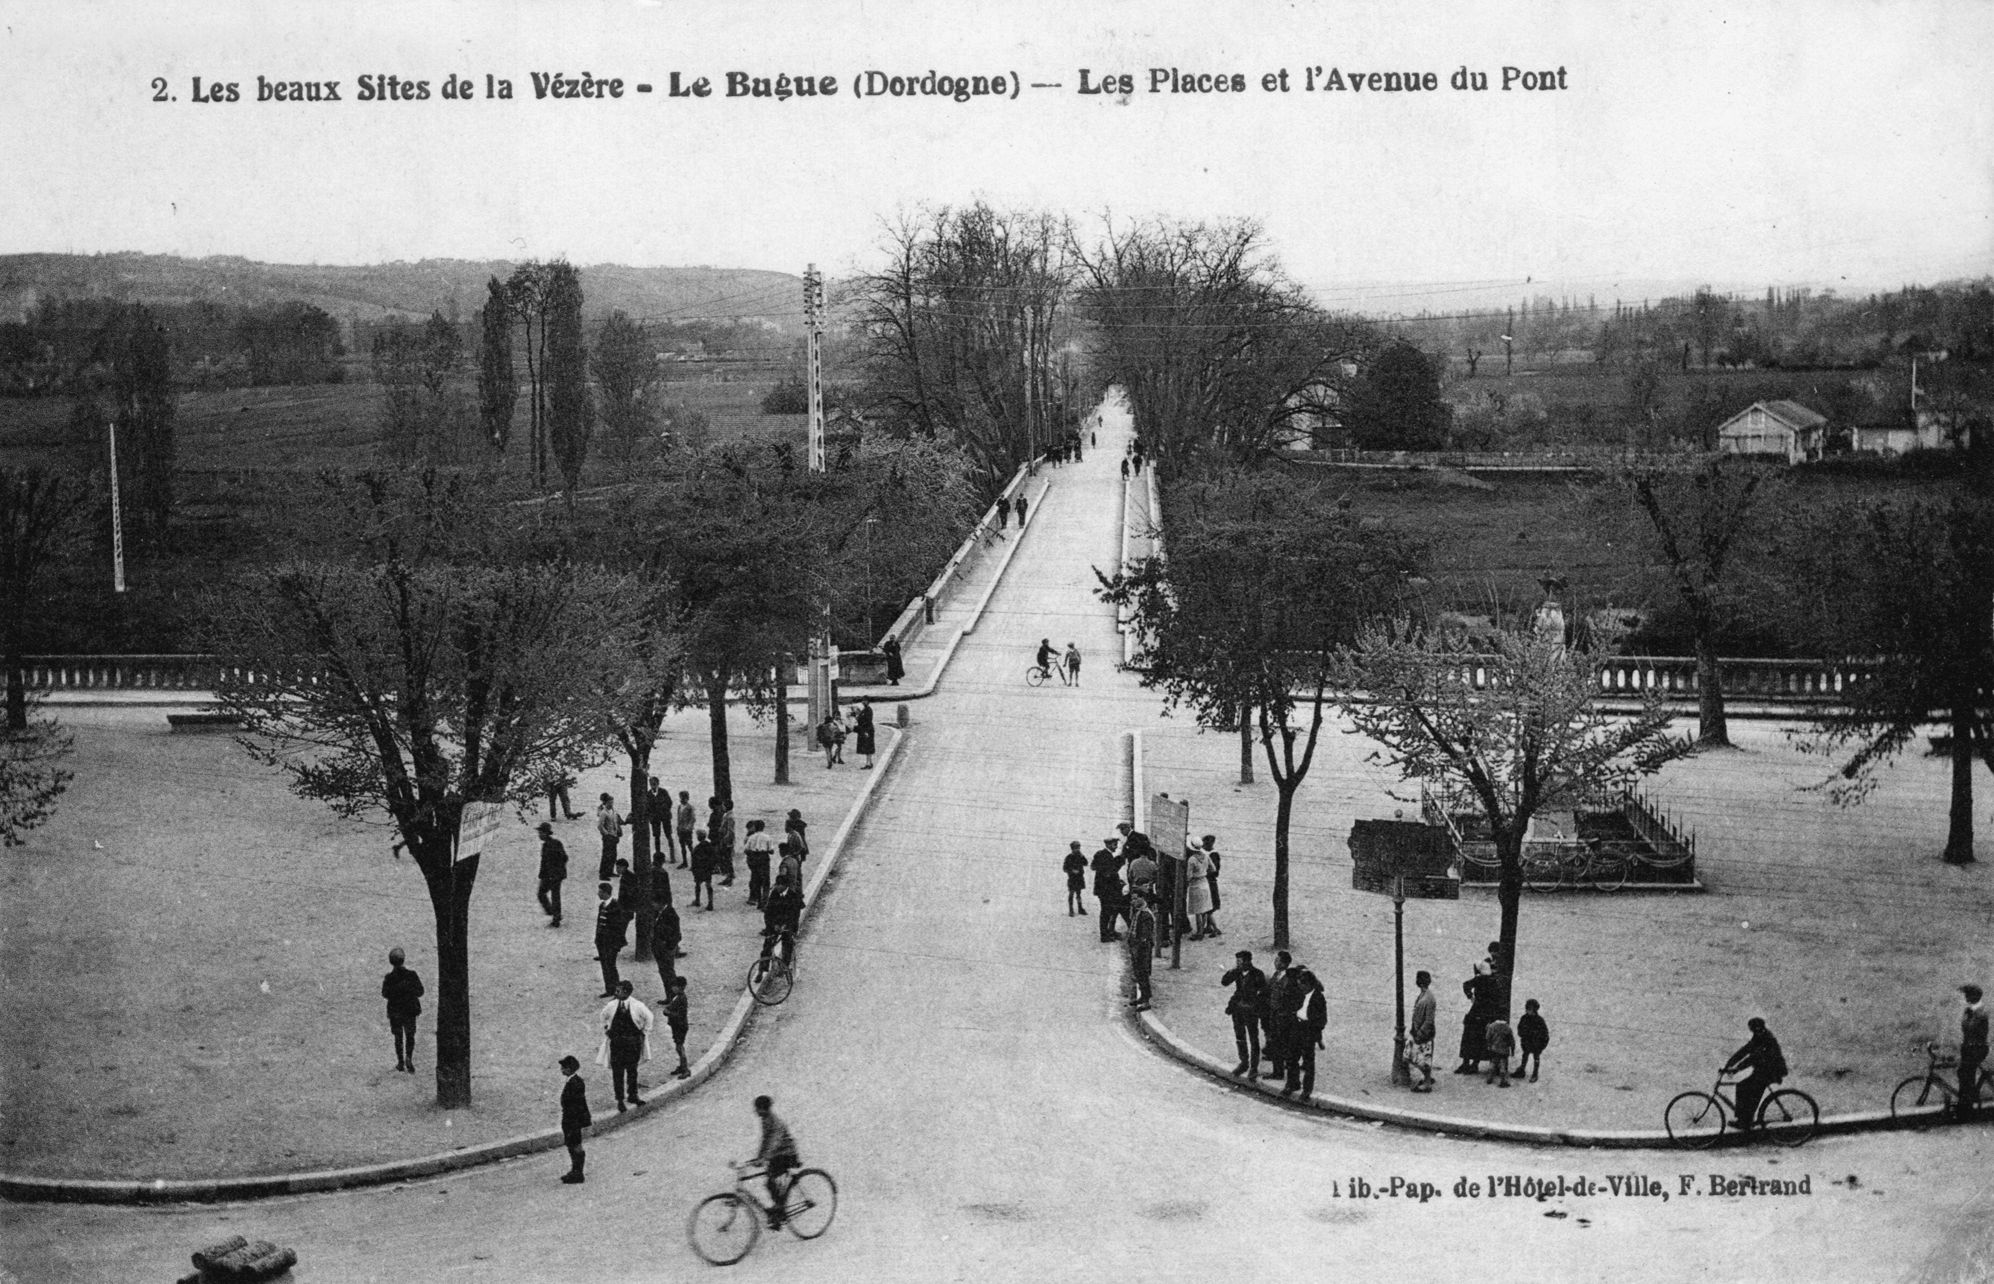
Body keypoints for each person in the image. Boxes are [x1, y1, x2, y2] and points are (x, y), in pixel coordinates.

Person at [596, 980, 654, 1111]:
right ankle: (620, 1099)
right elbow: (602, 1016)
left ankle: (633, 1095)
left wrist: (644, 1032)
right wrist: (606, 1029)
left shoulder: (637, 1005)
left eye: (618, 991)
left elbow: (649, 1017)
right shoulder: (611, 1005)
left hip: (632, 1042)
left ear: (626, 992)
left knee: (632, 1070)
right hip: (617, 1043)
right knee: (618, 1072)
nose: (616, 993)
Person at [1722, 1016, 1788, 1131]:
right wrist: (1728, 1065)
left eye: (1752, 1029)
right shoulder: (1759, 1035)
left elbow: (1754, 1057)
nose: (1752, 1031)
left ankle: (1744, 1121)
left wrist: (1737, 1068)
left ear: (1757, 1028)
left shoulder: (1766, 1038)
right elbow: (1745, 1050)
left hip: (1771, 1071)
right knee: (1745, 1087)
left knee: (1745, 1087)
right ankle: (1745, 1120)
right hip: (1763, 1070)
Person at [750, 1095, 801, 1227]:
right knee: (770, 1183)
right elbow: (765, 1140)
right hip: (776, 1155)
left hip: (786, 1154)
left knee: (771, 1181)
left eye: (757, 1109)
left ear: (763, 1109)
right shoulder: (765, 1119)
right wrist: (758, 1157)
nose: (755, 1111)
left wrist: (764, 1159)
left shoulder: (775, 1122)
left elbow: (774, 1142)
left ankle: (779, 1210)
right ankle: (779, 1209)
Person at [1221, 949, 1267, 1076]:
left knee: (1253, 1039)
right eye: (1237, 961)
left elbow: (1263, 994)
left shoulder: (1258, 974)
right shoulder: (1237, 973)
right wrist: (1232, 970)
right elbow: (1224, 982)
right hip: (1238, 1010)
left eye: (1240, 961)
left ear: (1248, 961)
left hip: (1251, 1011)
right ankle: (1244, 1063)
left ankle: (1253, 1068)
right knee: (1240, 1037)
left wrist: (1256, 1007)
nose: (1238, 964)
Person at [1286, 968, 1327, 1099]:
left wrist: (1314, 1033)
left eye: (1302, 985)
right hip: (1296, 1027)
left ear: (1309, 985)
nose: (1300, 987)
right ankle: (1293, 1084)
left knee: (1308, 1062)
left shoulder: (1318, 998)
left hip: (1308, 1031)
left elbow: (1322, 1020)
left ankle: (1307, 1089)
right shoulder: (1299, 994)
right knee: (1292, 1058)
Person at [381, 948, 424, 1074]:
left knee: (398, 1037)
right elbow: (420, 991)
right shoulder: (412, 975)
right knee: (410, 1035)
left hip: (395, 1011)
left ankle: (400, 1062)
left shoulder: (389, 977)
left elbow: (385, 993)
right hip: (410, 1010)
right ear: (403, 960)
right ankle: (409, 1057)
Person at [1456, 962, 1497, 1074]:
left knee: (1468, 1038)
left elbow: (1466, 984)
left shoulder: (1478, 980)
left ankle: (1465, 1063)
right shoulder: (1493, 981)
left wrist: (1470, 996)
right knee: (1480, 1040)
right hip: (1486, 1014)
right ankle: (1475, 1064)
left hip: (1475, 1011)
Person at [557, 1054, 591, 1183]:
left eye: (564, 1068)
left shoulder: (574, 1083)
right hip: (572, 1120)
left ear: (570, 1069)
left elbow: (574, 1104)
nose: (562, 1070)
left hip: (573, 1120)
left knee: (575, 1146)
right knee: (572, 1145)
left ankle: (578, 1173)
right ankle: (575, 1171)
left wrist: (572, 1121)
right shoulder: (573, 1081)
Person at [1262, 950, 1295, 1079]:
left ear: (1285, 964)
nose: (1275, 962)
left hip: (1283, 1017)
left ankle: (1280, 1072)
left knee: (1282, 1045)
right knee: (1276, 1044)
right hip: (1274, 1015)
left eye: (1278, 960)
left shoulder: (1289, 979)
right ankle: (1277, 1071)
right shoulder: (1276, 974)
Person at [593, 882, 630, 996]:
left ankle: (616, 989)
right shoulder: (602, 905)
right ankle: (609, 989)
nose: (598, 893)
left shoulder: (616, 907)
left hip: (611, 943)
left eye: (600, 891)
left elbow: (618, 928)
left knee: (611, 966)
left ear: (605, 893)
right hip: (602, 942)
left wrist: (616, 944)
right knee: (605, 966)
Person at [761, 873, 805, 963]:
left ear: (786, 886)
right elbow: (768, 912)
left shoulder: (793, 895)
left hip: (788, 924)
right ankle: (762, 970)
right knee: (767, 945)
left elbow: (794, 915)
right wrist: (774, 925)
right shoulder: (774, 894)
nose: (778, 887)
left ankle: (785, 966)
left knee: (787, 944)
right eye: (777, 884)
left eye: (781, 885)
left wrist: (786, 926)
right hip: (775, 923)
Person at [1961, 984, 1989, 1118]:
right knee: (1963, 1073)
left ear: (1975, 997)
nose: (1966, 997)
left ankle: (1967, 1107)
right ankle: (1967, 1104)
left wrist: (1967, 1016)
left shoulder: (1980, 1012)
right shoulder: (1971, 1011)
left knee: (1965, 1073)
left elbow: (1971, 1028)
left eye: (1968, 995)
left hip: (1977, 1048)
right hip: (1969, 1048)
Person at [1408, 970, 1438, 1092]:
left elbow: (1429, 1020)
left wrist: (1420, 1033)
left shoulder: (1429, 998)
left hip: (1424, 1033)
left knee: (1421, 1057)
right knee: (1419, 1056)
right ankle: (1427, 1078)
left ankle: (1427, 1083)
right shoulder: (1424, 995)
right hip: (1419, 1031)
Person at [1091, 837, 1125, 942]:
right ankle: (1104, 935)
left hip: (1102, 889)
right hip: (1106, 890)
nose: (1116, 847)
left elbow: (1093, 867)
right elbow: (1109, 873)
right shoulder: (1107, 856)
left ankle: (1108, 932)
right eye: (1114, 845)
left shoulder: (1101, 854)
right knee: (1106, 912)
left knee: (1107, 911)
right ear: (1108, 845)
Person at [536, 822, 568, 927]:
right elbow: (565, 857)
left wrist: (546, 874)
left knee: (543, 894)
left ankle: (554, 915)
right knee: (555, 896)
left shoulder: (548, 846)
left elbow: (546, 863)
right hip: (557, 874)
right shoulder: (556, 843)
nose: (539, 835)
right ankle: (555, 916)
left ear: (546, 833)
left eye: (540, 832)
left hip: (552, 875)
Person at [1127, 893, 1156, 1011]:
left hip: (1142, 948)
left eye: (1135, 898)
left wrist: (1137, 946)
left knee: (1143, 973)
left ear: (1142, 898)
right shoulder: (1138, 912)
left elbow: (1144, 935)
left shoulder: (1146, 915)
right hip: (1137, 947)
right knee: (1138, 973)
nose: (1132, 901)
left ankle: (1146, 1000)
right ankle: (1143, 997)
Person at [652, 897, 683, 993]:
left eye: (655, 903)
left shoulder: (670, 914)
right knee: (663, 972)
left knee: (669, 973)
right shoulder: (659, 912)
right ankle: (669, 995)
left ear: (661, 903)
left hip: (666, 949)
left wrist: (669, 946)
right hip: (659, 948)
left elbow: (676, 934)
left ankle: (673, 996)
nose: (653, 905)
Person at [743, 819, 776, 908]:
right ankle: (765, 901)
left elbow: (746, 850)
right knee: (766, 881)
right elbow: (772, 851)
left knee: (756, 879)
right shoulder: (767, 837)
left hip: (754, 858)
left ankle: (758, 900)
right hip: (764, 858)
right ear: (763, 827)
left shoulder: (751, 837)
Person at [663, 977, 692, 1078]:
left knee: (680, 1047)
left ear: (680, 987)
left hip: (680, 1026)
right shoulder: (677, 997)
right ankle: (682, 1066)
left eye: (674, 986)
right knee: (678, 1046)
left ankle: (685, 1069)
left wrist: (668, 1012)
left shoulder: (681, 998)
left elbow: (680, 1015)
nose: (672, 988)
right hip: (677, 1026)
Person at [1184, 843, 1213, 940]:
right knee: (1204, 909)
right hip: (1205, 883)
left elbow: (1189, 876)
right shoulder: (1206, 856)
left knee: (1197, 911)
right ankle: (1202, 930)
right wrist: (1203, 873)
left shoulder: (1192, 859)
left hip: (1195, 885)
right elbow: (1213, 868)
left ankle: (1199, 932)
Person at [1517, 999, 1550, 1083]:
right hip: (1527, 1043)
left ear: (1535, 1010)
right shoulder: (1524, 1018)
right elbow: (1519, 1028)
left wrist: (1542, 1045)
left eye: (1530, 1009)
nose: (1528, 1011)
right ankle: (1521, 1070)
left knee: (1536, 1058)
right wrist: (1522, 1036)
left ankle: (1535, 1073)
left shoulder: (1540, 1021)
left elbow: (1545, 1034)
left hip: (1536, 1044)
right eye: (1527, 1009)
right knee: (1525, 1056)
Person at [595, 794, 624, 881]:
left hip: (614, 836)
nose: (611, 804)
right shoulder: (603, 813)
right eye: (609, 802)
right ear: (606, 802)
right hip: (608, 837)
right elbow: (600, 825)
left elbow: (617, 822)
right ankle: (603, 874)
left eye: (612, 802)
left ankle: (609, 871)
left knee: (613, 855)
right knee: (606, 855)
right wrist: (606, 834)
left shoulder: (613, 811)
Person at [1200, 835, 1223, 938]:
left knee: (1207, 907)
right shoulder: (1208, 854)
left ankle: (1214, 928)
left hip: (1209, 882)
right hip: (1208, 882)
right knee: (1208, 907)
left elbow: (1215, 871)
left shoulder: (1213, 855)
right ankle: (1209, 926)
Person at [712, 797, 738, 886]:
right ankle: (728, 877)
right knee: (726, 859)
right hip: (725, 840)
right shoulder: (727, 815)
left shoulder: (730, 816)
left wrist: (725, 841)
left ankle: (729, 878)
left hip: (727, 842)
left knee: (727, 860)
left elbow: (730, 831)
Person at [1484, 1015, 1515, 1087]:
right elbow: (1512, 1041)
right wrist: (1512, 1050)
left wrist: (1489, 1045)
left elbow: (1487, 1037)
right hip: (1504, 1050)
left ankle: (1489, 1077)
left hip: (1494, 1049)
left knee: (1493, 1062)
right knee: (1503, 1065)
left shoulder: (1492, 1026)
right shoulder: (1508, 1028)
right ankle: (1503, 1080)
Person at [690, 831, 718, 910]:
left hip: (699, 869)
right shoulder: (710, 846)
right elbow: (714, 857)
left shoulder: (697, 848)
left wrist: (693, 870)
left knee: (698, 885)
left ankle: (697, 900)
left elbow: (694, 860)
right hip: (707, 869)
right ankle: (710, 903)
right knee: (708, 885)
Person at [647, 776, 671, 862]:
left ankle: (672, 855)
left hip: (665, 817)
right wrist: (651, 816)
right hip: (655, 818)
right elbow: (647, 807)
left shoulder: (663, 792)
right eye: (651, 784)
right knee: (656, 836)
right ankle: (658, 855)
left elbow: (669, 803)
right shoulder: (648, 794)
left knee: (668, 834)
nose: (653, 786)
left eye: (654, 784)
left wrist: (663, 810)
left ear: (658, 784)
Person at [1061, 841, 1088, 916]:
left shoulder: (1080, 856)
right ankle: (1071, 909)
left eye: (1078, 848)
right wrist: (1072, 871)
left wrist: (1082, 856)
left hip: (1079, 878)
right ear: (1072, 849)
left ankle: (1080, 908)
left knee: (1079, 894)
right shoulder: (1069, 857)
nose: (1078, 849)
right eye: (1076, 848)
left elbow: (1086, 863)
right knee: (1071, 893)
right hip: (1072, 878)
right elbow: (1064, 868)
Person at [674, 791, 696, 870]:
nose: (682, 799)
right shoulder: (679, 807)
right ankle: (685, 862)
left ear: (687, 798)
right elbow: (678, 818)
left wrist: (688, 827)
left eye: (684, 798)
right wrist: (678, 827)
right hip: (681, 829)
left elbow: (693, 819)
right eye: (681, 797)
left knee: (690, 846)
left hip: (687, 830)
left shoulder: (690, 807)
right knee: (682, 846)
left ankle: (694, 864)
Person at [854, 698, 876, 768]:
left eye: (865, 701)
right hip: (865, 730)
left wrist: (866, 732)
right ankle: (869, 762)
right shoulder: (864, 710)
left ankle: (868, 764)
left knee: (868, 747)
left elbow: (867, 721)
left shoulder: (868, 710)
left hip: (867, 730)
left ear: (868, 702)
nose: (863, 702)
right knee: (867, 747)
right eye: (863, 701)